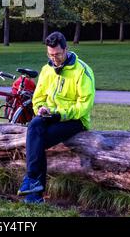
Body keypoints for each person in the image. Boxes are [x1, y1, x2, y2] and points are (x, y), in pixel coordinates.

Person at [17, 31, 95, 204]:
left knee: (38, 141)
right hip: (50, 116)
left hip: (75, 120)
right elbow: (37, 98)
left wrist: (62, 114)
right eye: (50, 54)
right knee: (35, 124)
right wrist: (40, 109)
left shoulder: (82, 71)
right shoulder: (46, 70)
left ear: (66, 49)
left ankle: (34, 191)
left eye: (58, 54)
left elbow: (85, 105)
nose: (54, 58)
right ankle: (33, 182)